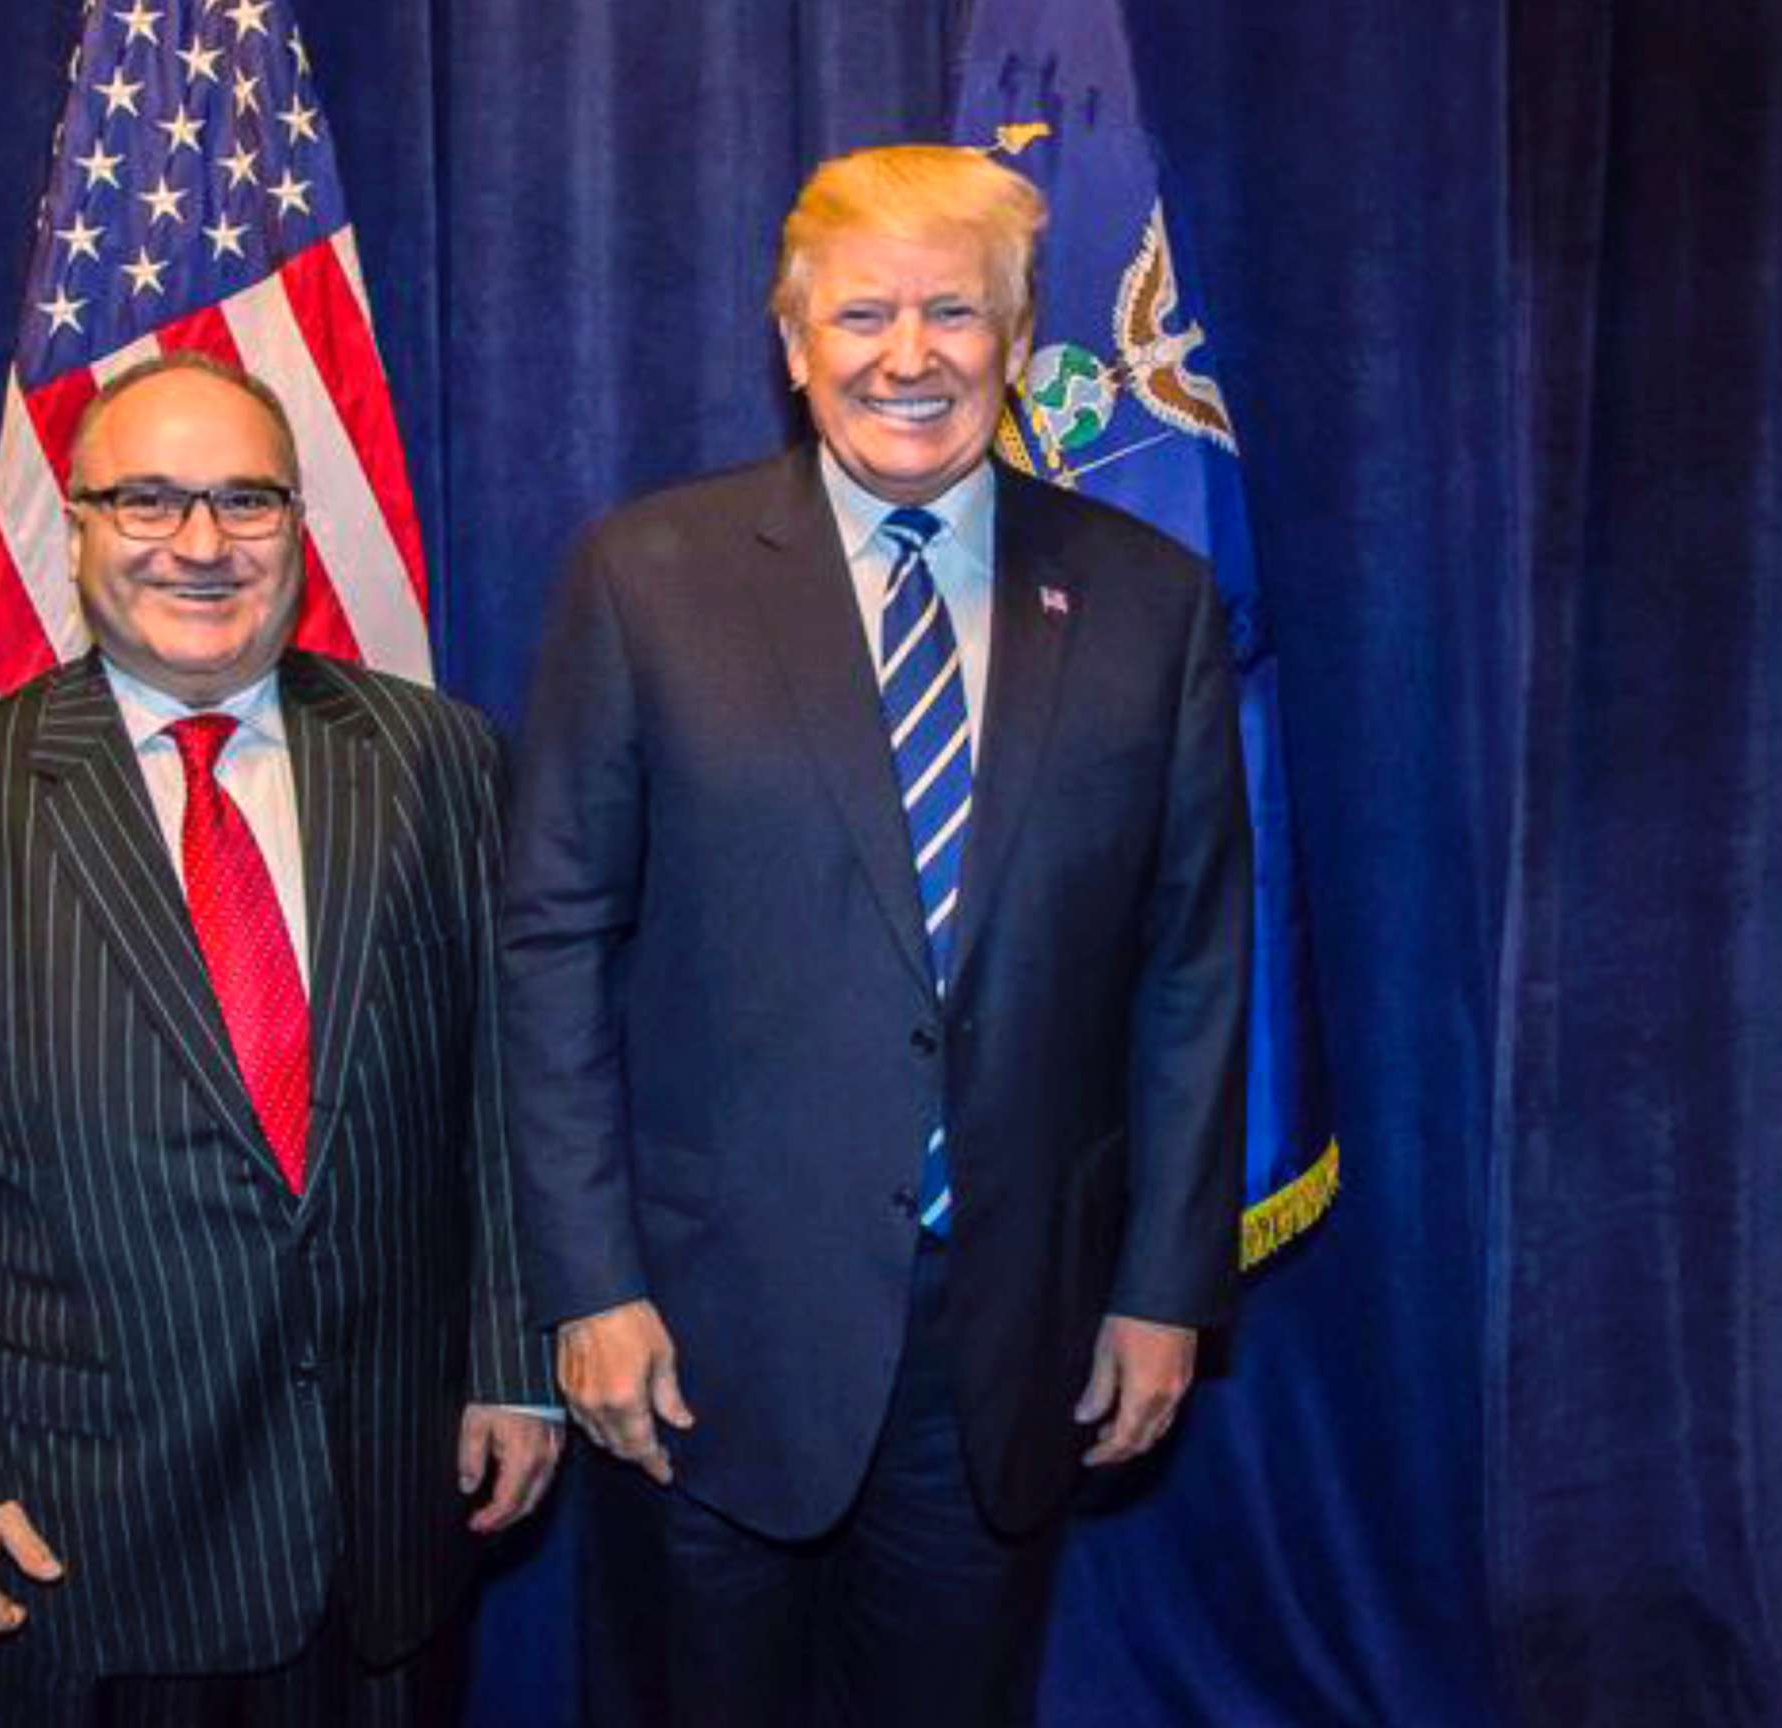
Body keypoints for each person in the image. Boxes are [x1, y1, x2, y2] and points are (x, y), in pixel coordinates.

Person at [500, 144, 1251, 1724]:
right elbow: (553, 944)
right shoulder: (646, 579)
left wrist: (1164, 1285)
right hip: (702, 1336)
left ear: (1020, 339)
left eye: (952, 313)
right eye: (861, 316)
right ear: (793, 347)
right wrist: (588, 1284)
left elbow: (1191, 973)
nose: (907, 357)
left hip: (1005, 1338)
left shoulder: (1148, 603)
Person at [0, 351, 558, 1727]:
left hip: (384, 1510)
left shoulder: (441, 759)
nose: (202, 546)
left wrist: (515, 1363)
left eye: (245, 502)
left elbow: (501, 1097)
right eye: (148, 501)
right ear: (79, 524)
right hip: (86, 1527)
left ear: (298, 524)